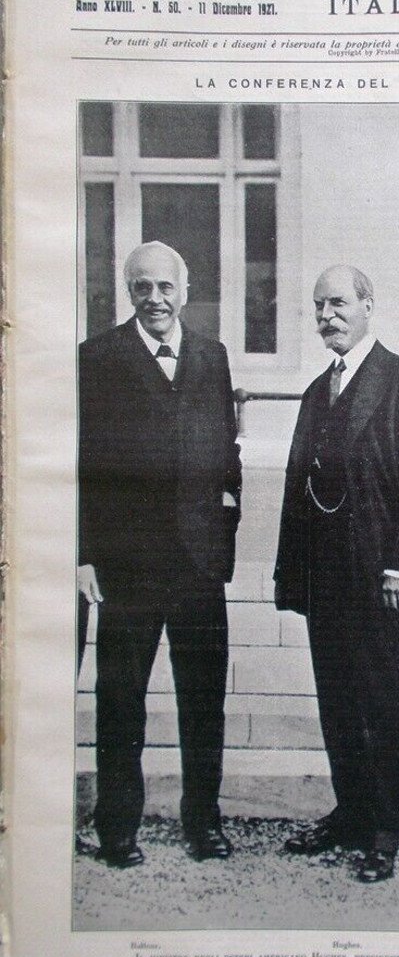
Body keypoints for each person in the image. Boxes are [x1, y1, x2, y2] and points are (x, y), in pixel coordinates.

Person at [274, 265, 399, 883]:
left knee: (377, 702)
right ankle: (350, 813)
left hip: (378, 578)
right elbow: (297, 487)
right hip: (324, 578)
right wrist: (291, 575)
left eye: (339, 303)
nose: (328, 316)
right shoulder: (317, 391)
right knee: (337, 702)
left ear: (369, 306)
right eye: (319, 306)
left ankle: (382, 833)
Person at [78, 241, 242, 868]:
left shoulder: (211, 356)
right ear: (128, 292)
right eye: (142, 287)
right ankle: (118, 828)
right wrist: (85, 555)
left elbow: (226, 452)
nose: (154, 299)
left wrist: (223, 533)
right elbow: (84, 463)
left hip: (199, 566)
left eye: (165, 287)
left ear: (185, 290)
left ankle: (204, 823)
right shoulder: (98, 358)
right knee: (121, 701)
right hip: (128, 566)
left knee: (203, 701)